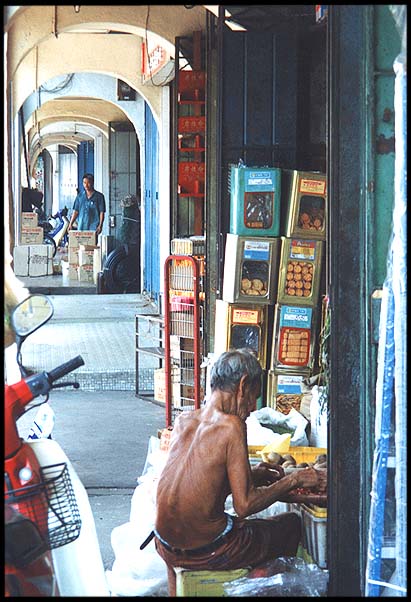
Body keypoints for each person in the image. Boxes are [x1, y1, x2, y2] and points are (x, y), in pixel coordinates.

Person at [154, 348, 327, 596]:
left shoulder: (185, 420)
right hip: (206, 551)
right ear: (243, 385)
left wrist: (253, 474)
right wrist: (293, 479)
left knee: (240, 522)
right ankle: (257, 589)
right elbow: (244, 505)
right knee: (290, 524)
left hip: (164, 544)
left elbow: (200, 483)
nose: (248, 411)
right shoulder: (232, 425)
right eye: (252, 399)